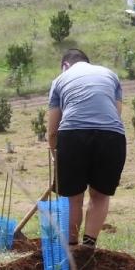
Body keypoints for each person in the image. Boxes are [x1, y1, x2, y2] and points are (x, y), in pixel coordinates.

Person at [46, 48, 126, 251]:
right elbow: (116, 114)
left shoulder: (60, 80)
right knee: (100, 195)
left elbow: (53, 130)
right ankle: (88, 249)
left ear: (65, 66)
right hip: (112, 137)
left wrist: (57, 154)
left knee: (73, 197)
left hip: (73, 136)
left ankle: (72, 249)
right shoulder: (111, 75)